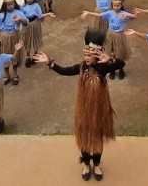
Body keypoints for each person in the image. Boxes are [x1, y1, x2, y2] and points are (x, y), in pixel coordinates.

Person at [36, 30, 122, 182]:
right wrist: (49, 62)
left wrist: (110, 61)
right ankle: (86, 164)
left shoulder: (104, 67)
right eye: (85, 55)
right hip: (84, 111)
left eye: (89, 56)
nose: (86, 58)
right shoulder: (81, 67)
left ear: (96, 55)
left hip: (100, 111)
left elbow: (122, 64)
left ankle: (96, 164)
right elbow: (64, 71)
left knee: (97, 138)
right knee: (84, 138)